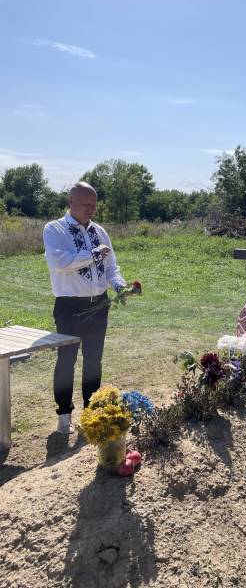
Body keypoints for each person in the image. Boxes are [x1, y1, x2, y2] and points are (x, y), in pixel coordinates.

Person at [43, 182, 128, 434]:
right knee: (66, 360)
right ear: (71, 202)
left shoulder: (100, 231)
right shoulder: (55, 229)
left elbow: (111, 267)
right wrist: (94, 253)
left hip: (99, 303)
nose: (91, 209)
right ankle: (64, 413)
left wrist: (120, 286)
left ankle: (91, 413)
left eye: (94, 205)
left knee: (93, 360)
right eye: (85, 204)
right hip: (70, 306)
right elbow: (60, 262)